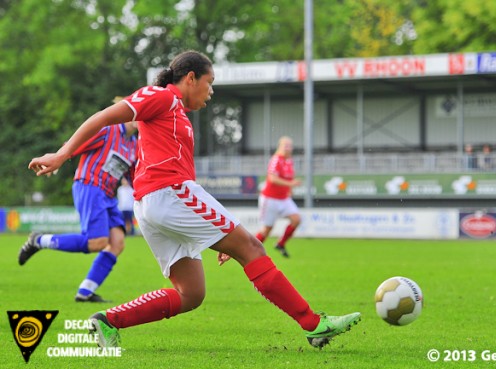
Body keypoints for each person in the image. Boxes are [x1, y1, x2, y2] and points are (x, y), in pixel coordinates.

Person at [28, 50, 360, 349]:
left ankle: (108, 321)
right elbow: (103, 116)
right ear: (190, 78)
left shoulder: (173, 112)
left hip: (155, 203)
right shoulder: (161, 97)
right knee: (252, 248)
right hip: (168, 195)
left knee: (191, 293)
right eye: (209, 82)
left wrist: (222, 234)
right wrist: (61, 154)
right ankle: (314, 324)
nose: (211, 91)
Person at [18, 101, 137, 303]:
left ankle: (85, 292)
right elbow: (75, 143)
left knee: (117, 242)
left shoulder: (135, 144)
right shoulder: (108, 131)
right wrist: (57, 159)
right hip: (90, 186)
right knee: (97, 242)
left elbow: (133, 176)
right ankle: (38, 240)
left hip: (108, 195)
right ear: (132, 115)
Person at [255, 136, 301, 258]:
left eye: (290, 146)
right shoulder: (276, 159)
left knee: (296, 219)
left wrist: (289, 189)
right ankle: (250, 250)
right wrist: (291, 184)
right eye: (285, 146)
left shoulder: (290, 160)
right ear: (280, 147)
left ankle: (280, 243)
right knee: (266, 230)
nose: (288, 148)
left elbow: (289, 177)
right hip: (270, 199)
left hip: (284, 198)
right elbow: (272, 179)